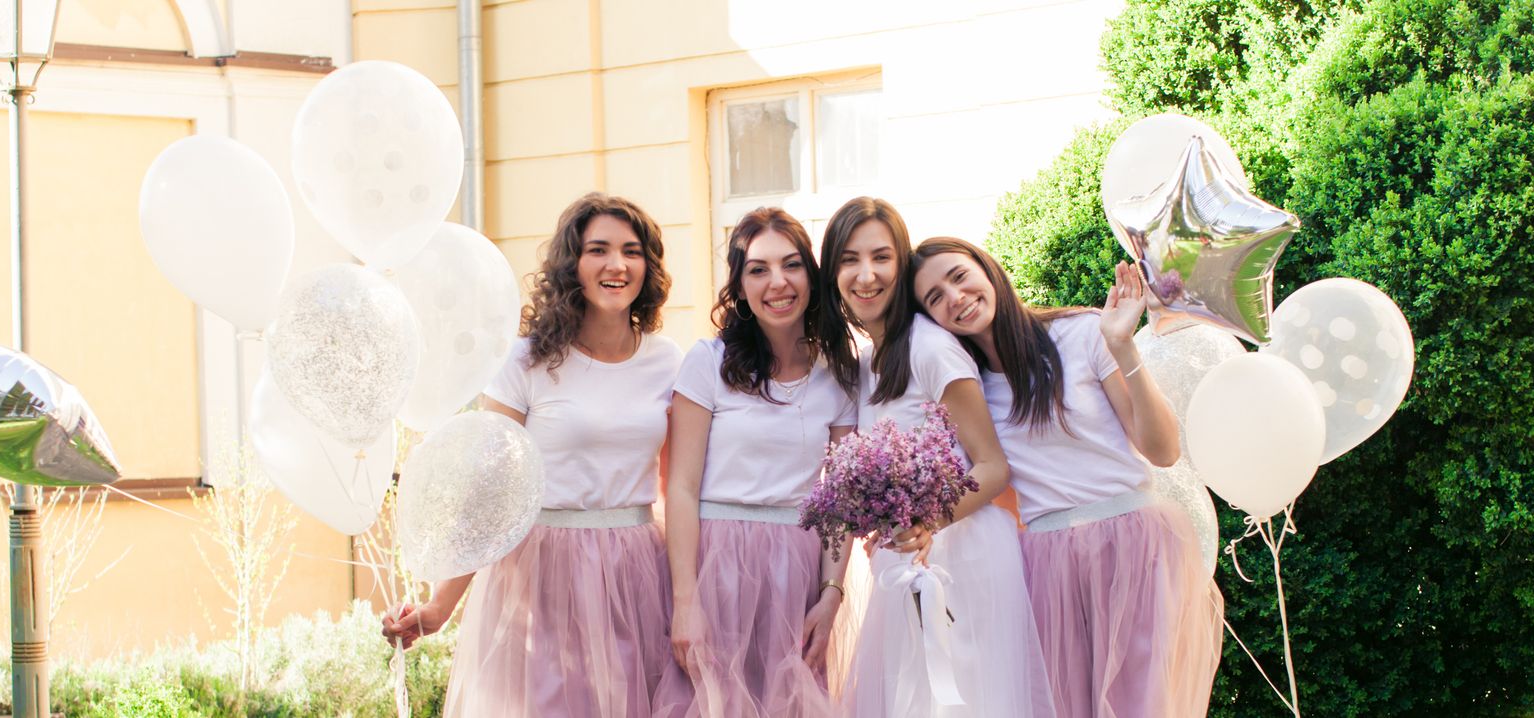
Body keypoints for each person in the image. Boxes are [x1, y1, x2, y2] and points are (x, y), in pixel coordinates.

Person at [381, 192, 682, 717]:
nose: (617, 265)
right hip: (542, 572)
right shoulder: (526, 360)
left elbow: (676, 486)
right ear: (573, 265)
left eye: (632, 251)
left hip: (638, 573)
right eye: (599, 250)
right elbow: (487, 487)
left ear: (648, 267)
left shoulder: (669, 361)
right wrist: (440, 606)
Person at [910, 236, 1222, 717]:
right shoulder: (966, 388)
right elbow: (984, 482)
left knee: (1141, 703)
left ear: (986, 269)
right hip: (1047, 560)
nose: (954, 298)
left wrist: (1122, 346)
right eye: (934, 298)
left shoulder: (1082, 332)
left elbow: (1163, 450)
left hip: (1133, 543)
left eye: (958, 276)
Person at [822, 198, 1057, 717]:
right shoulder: (864, 362)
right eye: (849, 260)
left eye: (881, 257)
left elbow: (993, 466)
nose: (866, 274)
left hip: (964, 558)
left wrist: (929, 520)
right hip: (905, 561)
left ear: (900, 265)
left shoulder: (931, 347)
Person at [655, 207, 859, 718]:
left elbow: (840, 499)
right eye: (758, 269)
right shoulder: (708, 362)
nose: (778, 282)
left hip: (798, 570)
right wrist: (686, 601)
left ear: (811, 276)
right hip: (716, 566)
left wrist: (831, 593)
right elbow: (680, 486)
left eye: (791, 265)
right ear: (740, 285)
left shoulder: (837, 373)